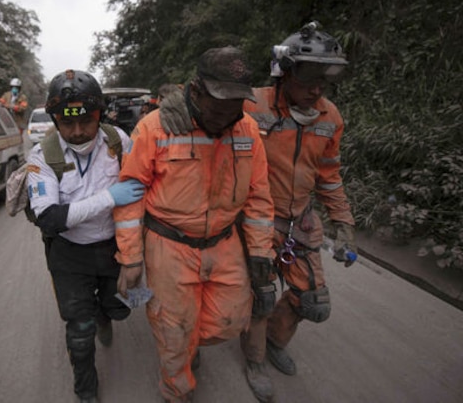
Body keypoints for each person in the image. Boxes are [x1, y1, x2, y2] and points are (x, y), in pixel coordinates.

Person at [159, 22, 359, 402]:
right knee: (260, 294)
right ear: (283, 72)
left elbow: (329, 175)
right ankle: (254, 361)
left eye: (324, 80)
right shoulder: (252, 104)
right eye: (307, 77)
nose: (316, 88)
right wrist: (171, 95)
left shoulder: (329, 116)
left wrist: (344, 222)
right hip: (252, 220)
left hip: (300, 219)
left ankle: (272, 342)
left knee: (311, 302)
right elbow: (205, 103)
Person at [114, 47, 277, 402]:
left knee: (231, 320)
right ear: (196, 90)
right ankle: (177, 391)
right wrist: (130, 258)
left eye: (236, 103)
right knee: (175, 333)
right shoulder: (155, 127)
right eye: (219, 103)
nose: (227, 114)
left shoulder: (247, 128)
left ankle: (189, 344)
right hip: (168, 245)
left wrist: (262, 249)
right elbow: (129, 194)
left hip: (224, 241)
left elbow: (259, 196)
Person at [27, 69, 145, 403]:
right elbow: (49, 218)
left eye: (86, 122)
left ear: (100, 115)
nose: (78, 132)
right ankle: (86, 391)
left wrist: (136, 254)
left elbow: (144, 188)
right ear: (55, 120)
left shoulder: (119, 141)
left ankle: (104, 312)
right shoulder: (41, 157)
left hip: (114, 249)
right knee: (80, 332)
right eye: (66, 123)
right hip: (69, 255)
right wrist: (109, 198)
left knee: (122, 307)